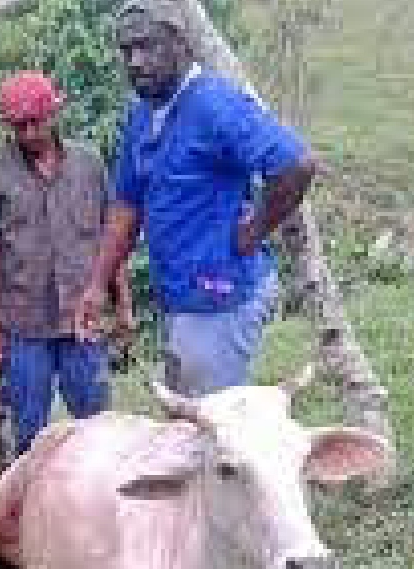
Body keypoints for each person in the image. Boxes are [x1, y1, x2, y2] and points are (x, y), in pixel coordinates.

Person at [75, 0, 323, 398]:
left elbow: (297, 164)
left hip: (219, 300)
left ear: (182, 44)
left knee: (211, 425)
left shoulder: (216, 106)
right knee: (187, 419)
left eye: (147, 47)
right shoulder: (142, 114)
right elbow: (126, 207)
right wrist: (98, 284)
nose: (135, 61)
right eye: (127, 51)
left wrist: (255, 229)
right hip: (179, 298)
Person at [0, 71, 134, 459]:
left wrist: (123, 305)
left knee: (97, 428)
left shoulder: (88, 165)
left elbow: (111, 240)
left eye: (36, 122)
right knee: (28, 434)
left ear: (54, 114)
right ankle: (28, 510)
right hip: (22, 325)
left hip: (82, 319)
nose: (28, 133)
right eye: (19, 126)